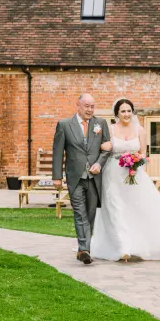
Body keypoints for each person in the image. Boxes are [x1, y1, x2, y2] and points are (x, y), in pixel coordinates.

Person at [90, 98, 160, 261]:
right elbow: (103, 147)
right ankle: (122, 247)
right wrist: (102, 145)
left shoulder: (140, 130)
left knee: (136, 208)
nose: (126, 114)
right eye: (123, 111)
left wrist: (135, 161)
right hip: (113, 174)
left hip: (133, 174)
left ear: (132, 112)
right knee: (115, 208)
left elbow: (143, 153)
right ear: (117, 113)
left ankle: (140, 243)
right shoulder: (109, 129)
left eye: (129, 111)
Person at [52, 93, 111, 265]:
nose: (90, 110)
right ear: (77, 105)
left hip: (94, 178)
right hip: (75, 177)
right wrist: (57, 177)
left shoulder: (101, 124)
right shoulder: (64, 125)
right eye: (87, 106)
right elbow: (58, 152)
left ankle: (82, 249)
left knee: (91, 213)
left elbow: (106, 148)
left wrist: (99, 164)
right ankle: (85, 249)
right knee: (80, 212)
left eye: (92, 106)